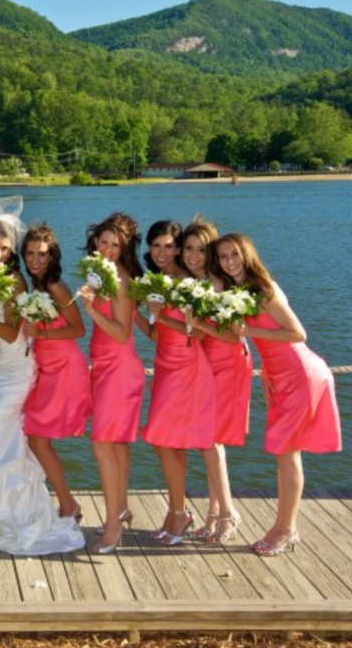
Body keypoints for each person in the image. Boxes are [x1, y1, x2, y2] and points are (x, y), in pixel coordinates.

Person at [0, 199, 84, 556]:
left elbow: (13, 333)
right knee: (4, 442)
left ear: (12, 250)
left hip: (14, 371)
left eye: (4, 248)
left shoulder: (13, 282)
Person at [216, 233, 341, 557]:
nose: (229, 261)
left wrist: (250, 330)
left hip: (300, 373)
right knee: (284, 453)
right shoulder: (239, 291)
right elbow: (262, 346)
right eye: (223, 256)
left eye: (234, 254)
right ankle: (285, 527)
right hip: (279, 376)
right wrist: (267, 377)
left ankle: (286, 530)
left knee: (288, 454)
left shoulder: (264, 289)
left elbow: (298, 333)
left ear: (247, 256)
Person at [137, 220, 216, 546]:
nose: (161, 252)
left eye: (169, 246)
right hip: (164, 362)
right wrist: (135, 312)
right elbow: (157, 334)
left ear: (178, 248)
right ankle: (176, 512)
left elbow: (197, 332)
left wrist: (162, 312)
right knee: (167, 441)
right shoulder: (158, 281)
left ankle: (179, 512)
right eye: (156, 246)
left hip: (186, 365)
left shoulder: (187, 283)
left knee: (161, 438)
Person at [181, 218, 252, 544]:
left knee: (210, 439)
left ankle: (227, 512)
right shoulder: (193, 281)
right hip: (207, 361)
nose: (193, 256)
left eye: (201, 250)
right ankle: (213, 512)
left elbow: (226, 332)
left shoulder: (216, 282)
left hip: (225, 361)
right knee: (209, 439)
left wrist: (197, 324)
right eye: (188, 249)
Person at [77, 212, 144, 554]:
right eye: (103, 242)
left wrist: (91, 310)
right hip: (102, 366)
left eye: (115, 245)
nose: (107, 249)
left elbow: (121, 333)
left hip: (119, 368)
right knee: (116, 445)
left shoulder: (120, 279)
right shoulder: (100, 275)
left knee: (103, 444)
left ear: (124, 249)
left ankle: (114, 524)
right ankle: (121, 508)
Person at [20, 224, 91, 526]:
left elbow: (79, 329)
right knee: (34, 436)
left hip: (63, 367)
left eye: (42, 254)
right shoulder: (35, 286)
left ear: (52, 257)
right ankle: (63, 501)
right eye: (30, 253)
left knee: (37, 438)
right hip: (45, 367)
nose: (35, 260)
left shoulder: (56, 286)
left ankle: (67, 504)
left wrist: (42, 331)